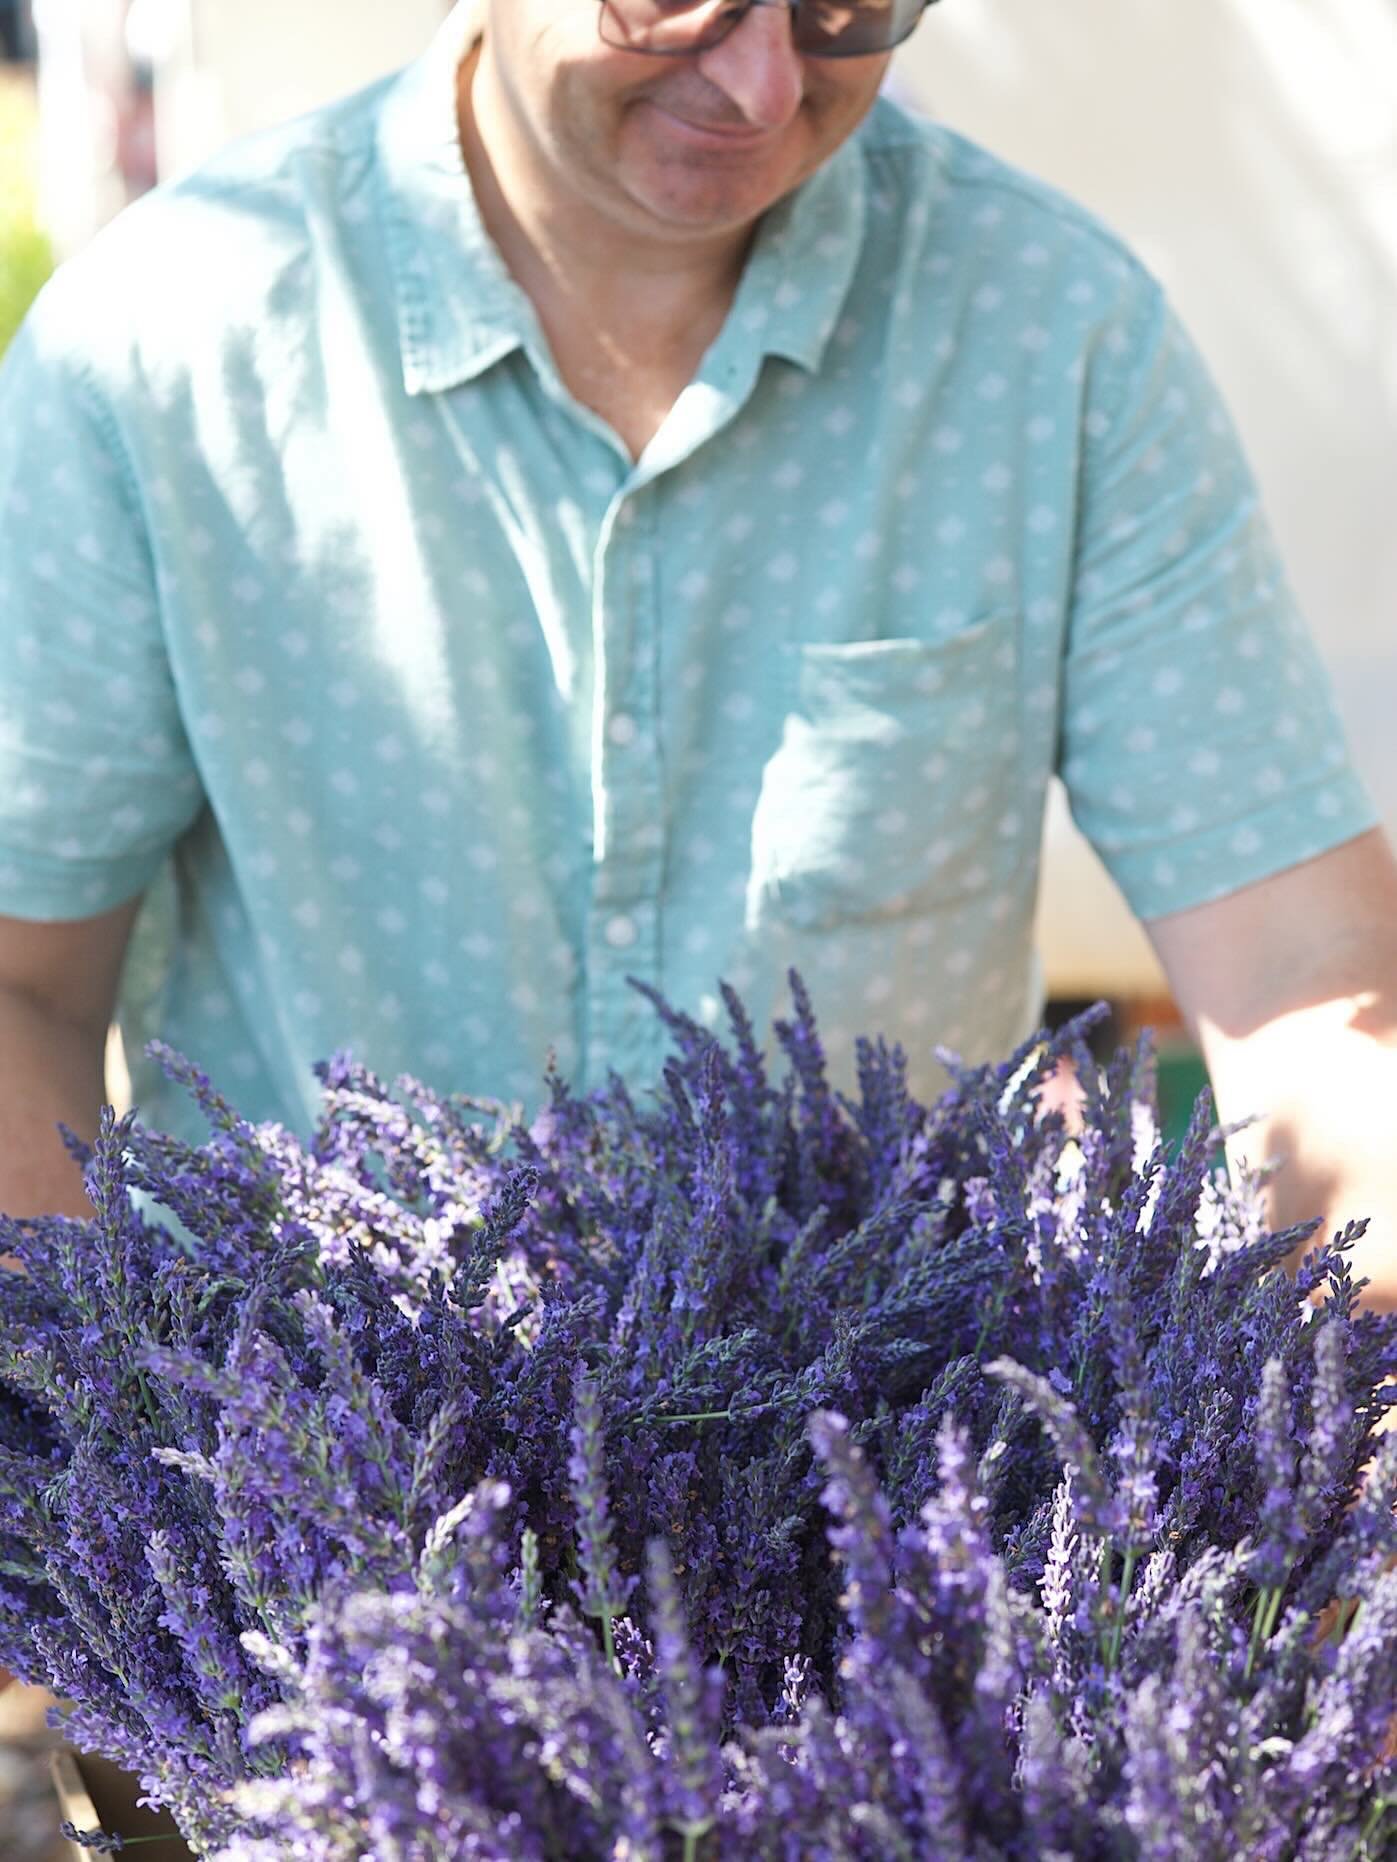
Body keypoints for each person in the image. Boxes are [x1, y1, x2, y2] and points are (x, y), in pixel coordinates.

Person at [1, 0, 1395, 1318]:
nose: (764, 83)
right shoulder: (159, 349)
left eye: (844, 5)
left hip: (906, 1498)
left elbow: (1303, 965)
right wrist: (123, 1449)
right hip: (302, 1482)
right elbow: (22, 985)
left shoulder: (1053, 331)